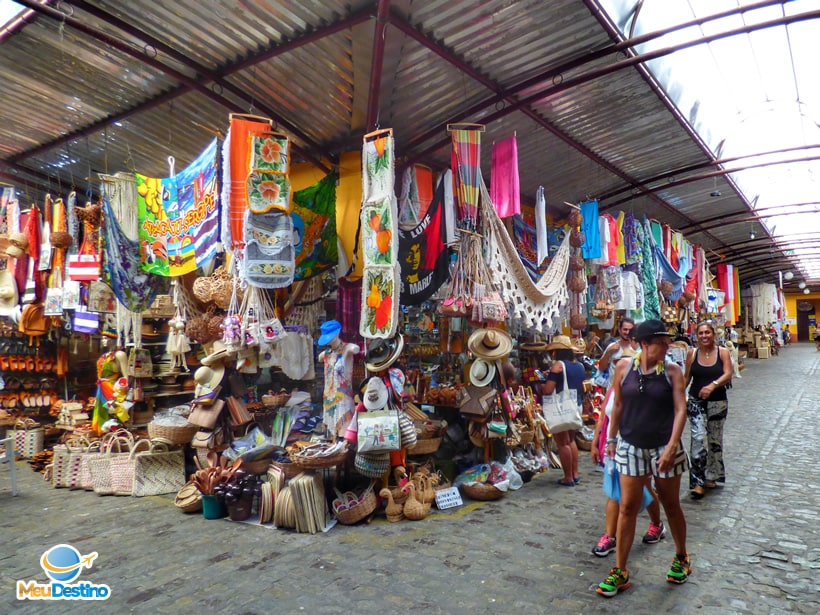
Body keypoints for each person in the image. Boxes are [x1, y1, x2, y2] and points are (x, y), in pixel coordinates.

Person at [598, 319, 690, 598]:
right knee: (627, 507)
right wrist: (611, 439)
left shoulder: (672, 372)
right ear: (644, 343)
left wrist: (672, 446)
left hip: (663, 446)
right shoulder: (624, 368)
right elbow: (619, 405)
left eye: (667, 341)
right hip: (631, 445)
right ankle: (620, 570)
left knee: (671, 504)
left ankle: (681, 557)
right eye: (661, 341)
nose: (667, 346)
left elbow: (680, 410)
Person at [590, 349, 667, 557]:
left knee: (643, 486)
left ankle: (656, 523)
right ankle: (610, 536)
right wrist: (597, 440)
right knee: (614, 489)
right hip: (613, 444)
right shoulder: (614, 387)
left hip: (636, 443)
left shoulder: (641, 386)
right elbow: (604, 415)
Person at [683, 320, 733, 499]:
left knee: (714, 440)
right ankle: (697, 481)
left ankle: (711, 476)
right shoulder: (692, 353)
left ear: (714, 334)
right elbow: (686, 377)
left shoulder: (723, 352)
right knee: (697, 438)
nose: (704, 336)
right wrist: (679, 394)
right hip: (696, 401)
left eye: (707, 333)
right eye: (701, 333)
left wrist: (712, 385)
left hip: (718, 401)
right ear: (697, 336)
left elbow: (728, 373)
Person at [542, 335, 587, 486]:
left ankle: (568, 477)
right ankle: (575, 473)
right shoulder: (579, 366)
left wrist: (542, 384)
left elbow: (549, 390)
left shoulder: (558, 365)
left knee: (562, 442)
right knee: (571, 439)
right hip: (575, 405)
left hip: (562, 407)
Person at [317, 320, 360, 440]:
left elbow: (356, 349)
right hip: (329, 400)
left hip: (344, 401)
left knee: (345, 435)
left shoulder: (348, 349)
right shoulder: (325, 354)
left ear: (337, 334)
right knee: (331, 437)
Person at [596, 318, 636, 387]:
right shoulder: (612, 347)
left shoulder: (637, 348)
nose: (627, 332)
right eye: (625, 329)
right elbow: (601, 367)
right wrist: (608, 352)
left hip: (631, 390)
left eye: (630, 330)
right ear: (619, 330)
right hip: (613, 389)